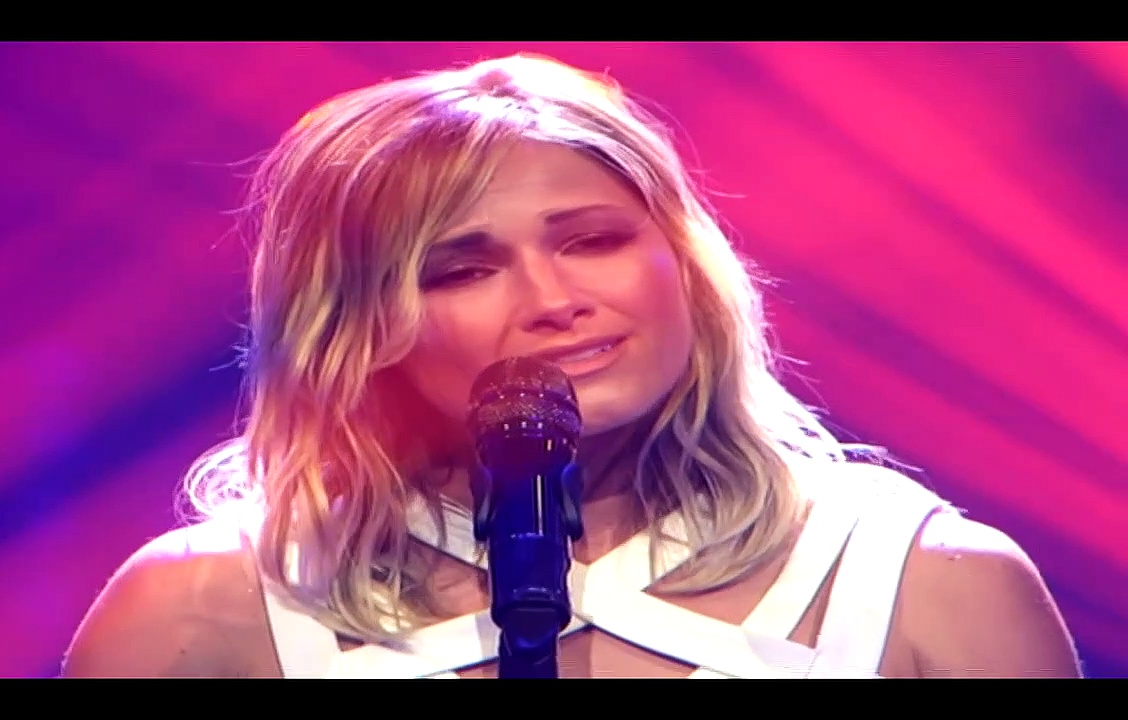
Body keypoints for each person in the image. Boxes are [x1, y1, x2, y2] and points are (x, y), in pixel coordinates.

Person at [60, 53, 1082, 679]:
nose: (552, 300)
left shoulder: (925, 581)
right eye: (463, 269)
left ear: (683, 266)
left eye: (592, 241)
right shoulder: (204, 610)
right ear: (356, 329)